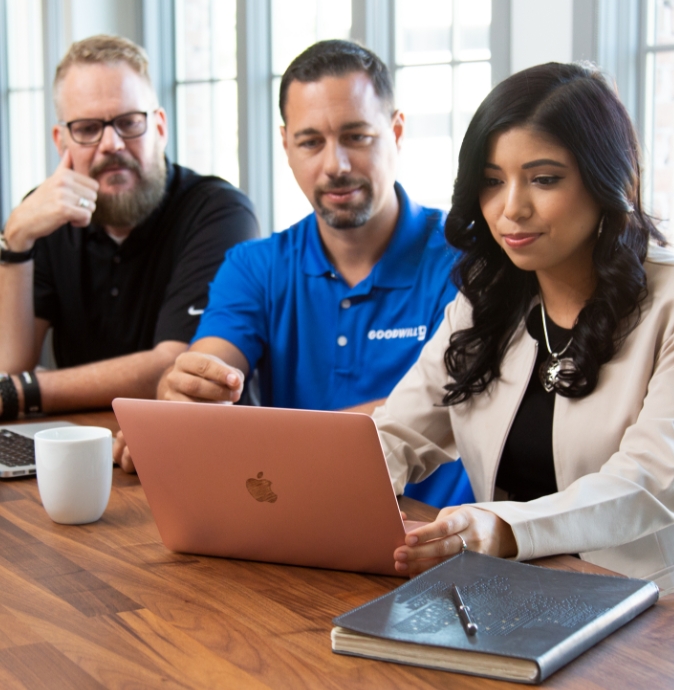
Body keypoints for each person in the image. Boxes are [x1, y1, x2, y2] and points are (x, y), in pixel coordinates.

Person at [371, 62, 674, 631]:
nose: (511, 208)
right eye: (492, 180)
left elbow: (651, 483)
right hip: (530, 605)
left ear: (606, 181)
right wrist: (312, 494)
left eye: (543, 179)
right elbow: (399, 434)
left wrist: (505, 527)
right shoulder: (487, 302)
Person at [114, 40, 474, 508]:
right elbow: (209, 369)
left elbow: (437, 410)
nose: (335, 165)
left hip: (435, 537)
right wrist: (180, 396)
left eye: (356, 136)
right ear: (285, 145)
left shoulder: (465, 259)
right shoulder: (255, 266)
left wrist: (262, 443)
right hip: (293, 523)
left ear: (397, 131)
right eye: (310, 142)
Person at [0, 35, 259, 420]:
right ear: (61, 141)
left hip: (184, 446)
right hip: (79, 443)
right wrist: (16, 241)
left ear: (159, 127)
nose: (112, 143)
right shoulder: (46, 214)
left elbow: (174, 365)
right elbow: (10, 365)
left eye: (129, 123)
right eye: (88, 128)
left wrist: (25, 391)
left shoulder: (218, 211)